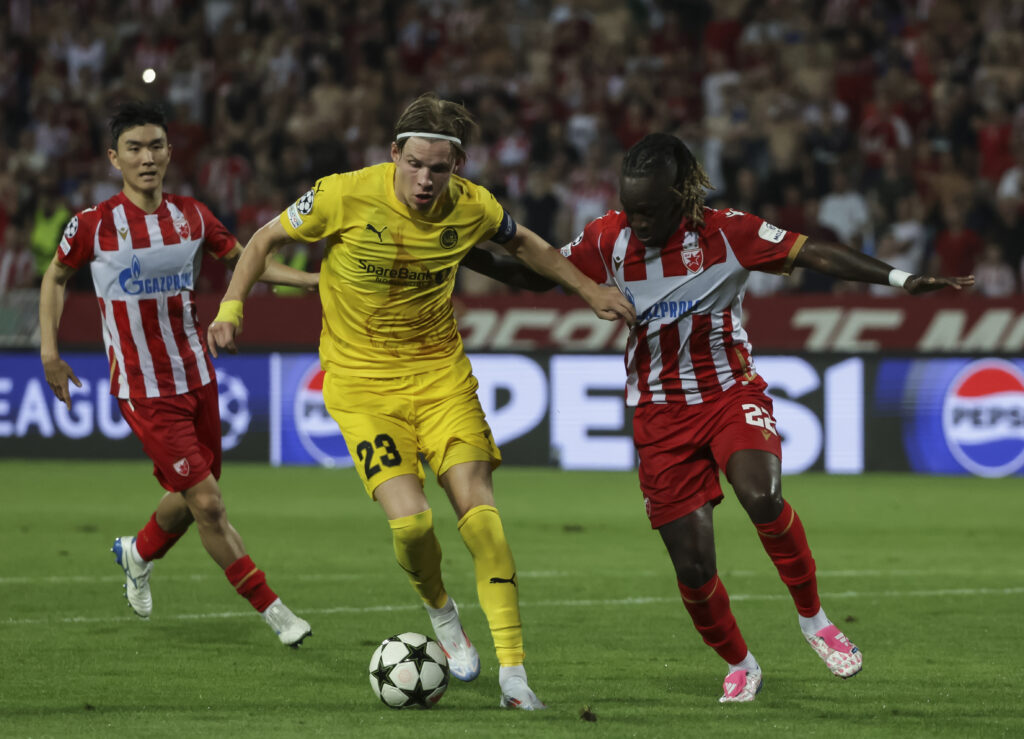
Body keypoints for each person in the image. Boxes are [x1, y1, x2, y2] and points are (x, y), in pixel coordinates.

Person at [476, 132, 974, 703]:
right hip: (659, 419)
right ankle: (741, 662)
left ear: (681, 197)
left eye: (650, 210)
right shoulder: (607, 237)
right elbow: (535, 275)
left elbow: (812, 252)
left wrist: (900, 280)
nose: (637, 221)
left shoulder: (727, 233)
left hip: (729, 396)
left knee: (761, 495)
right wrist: (460, 251)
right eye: (629, 206)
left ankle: (814, 619)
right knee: (692, 566)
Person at [208, 92, 634, 709]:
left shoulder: (473, 206)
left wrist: (588, 289)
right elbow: (261, 242)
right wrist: (231, 307)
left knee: (482, 520)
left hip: (440, 379)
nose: (427, 179)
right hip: (361, 388)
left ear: (456, 166)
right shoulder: (342, 194)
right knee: (412, 525)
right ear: (394, 155)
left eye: (440, 167)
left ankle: (515, 677)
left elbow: (528, 246)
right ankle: (441, 611)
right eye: (416, 164)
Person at [39, 101, 316, 647]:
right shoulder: (93, 226)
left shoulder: (192, 216)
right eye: (135, 148)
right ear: (114, 158)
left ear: (169, 152)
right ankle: (275, 611)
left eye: (157, 146)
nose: (148, 158)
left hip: (198, 377)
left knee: (194, 496)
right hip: (143, 389)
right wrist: (50, 352)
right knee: (209, 502)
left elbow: (246, 260)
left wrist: (313, 283)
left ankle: (137, 552)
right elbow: (54, 279)